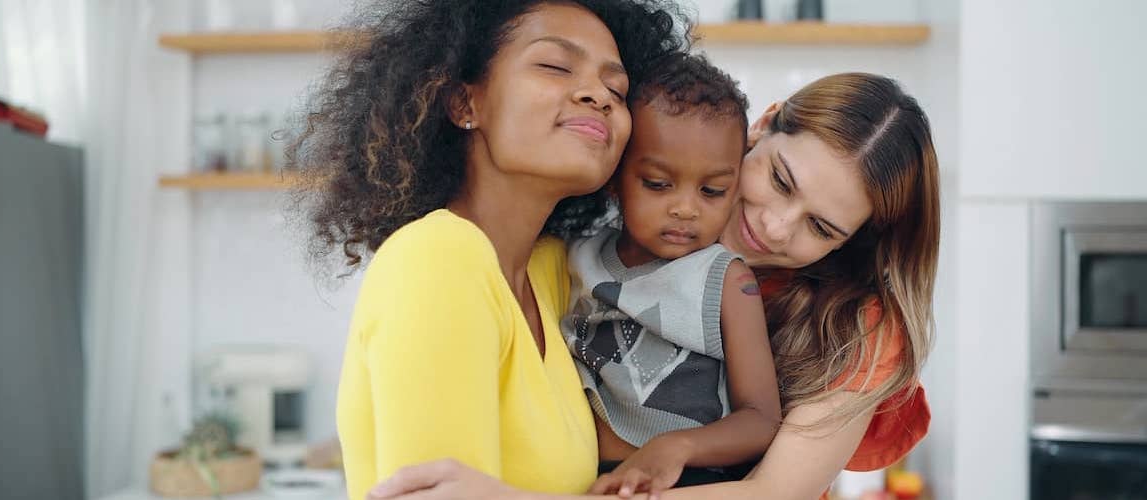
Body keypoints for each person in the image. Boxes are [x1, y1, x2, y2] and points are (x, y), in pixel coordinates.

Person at [366, 72, 939, 500]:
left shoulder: (854, 331)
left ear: (853, 242)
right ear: (763, 126)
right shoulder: (603, 242)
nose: (774, 226)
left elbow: (768, 496)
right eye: (781, 181)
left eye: (821, 227)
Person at [284, 1, 689, 500]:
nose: (598, 96)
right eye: (555, 66)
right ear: (464, 103)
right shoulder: (438, 258)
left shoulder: (553, 272)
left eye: (617, 89)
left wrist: (751, 177)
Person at [561, 53, 780, 499]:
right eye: (658, 183)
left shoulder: (726, 281)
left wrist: (675, 448)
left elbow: (761, 418)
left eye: (712, 190)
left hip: (689, 482)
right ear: (614, 175)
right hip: (582, 478)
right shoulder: (577, 255)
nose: (685, 208)